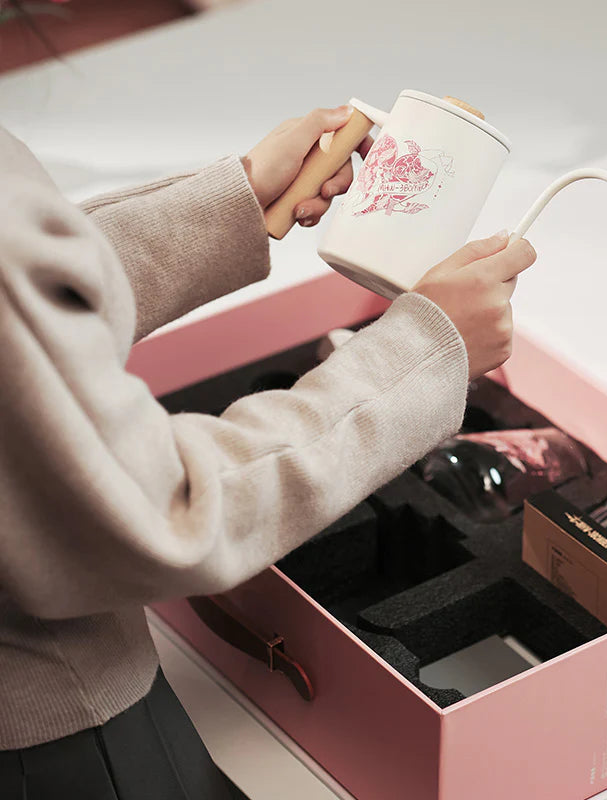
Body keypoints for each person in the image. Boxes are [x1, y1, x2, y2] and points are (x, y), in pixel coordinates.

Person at [0, 103, 536, 798]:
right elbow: (162, 511)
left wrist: (230, 204)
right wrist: (423, 356)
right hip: (57, 751)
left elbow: (24, 290)